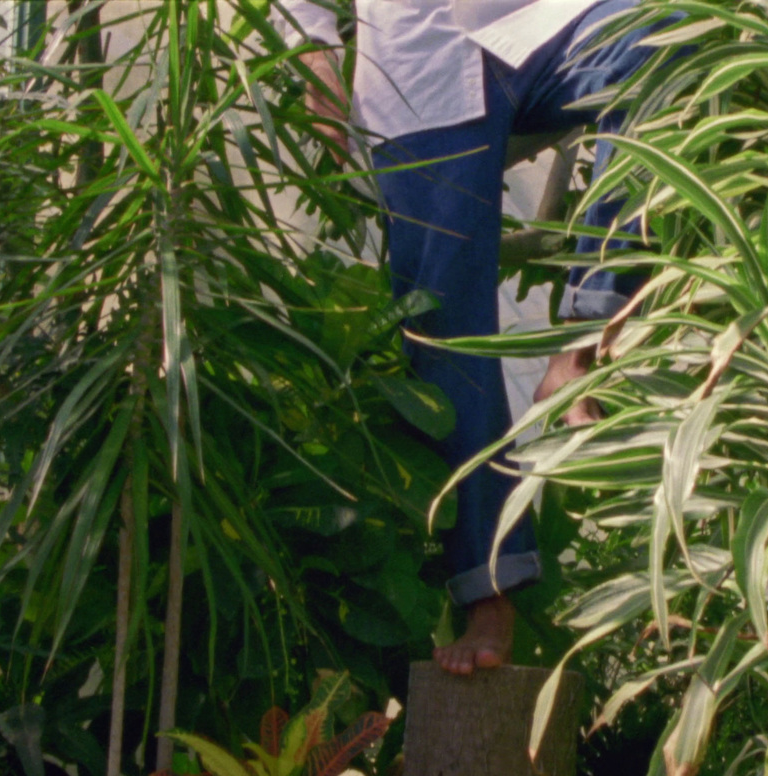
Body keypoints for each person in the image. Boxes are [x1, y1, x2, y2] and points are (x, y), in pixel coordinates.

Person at [277, 0, 665, 675]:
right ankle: (489, 591)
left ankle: (582, 343)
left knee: (659, 36)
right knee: (444, 330)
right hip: (415, 71)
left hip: (542, 25)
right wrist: (313, 52)